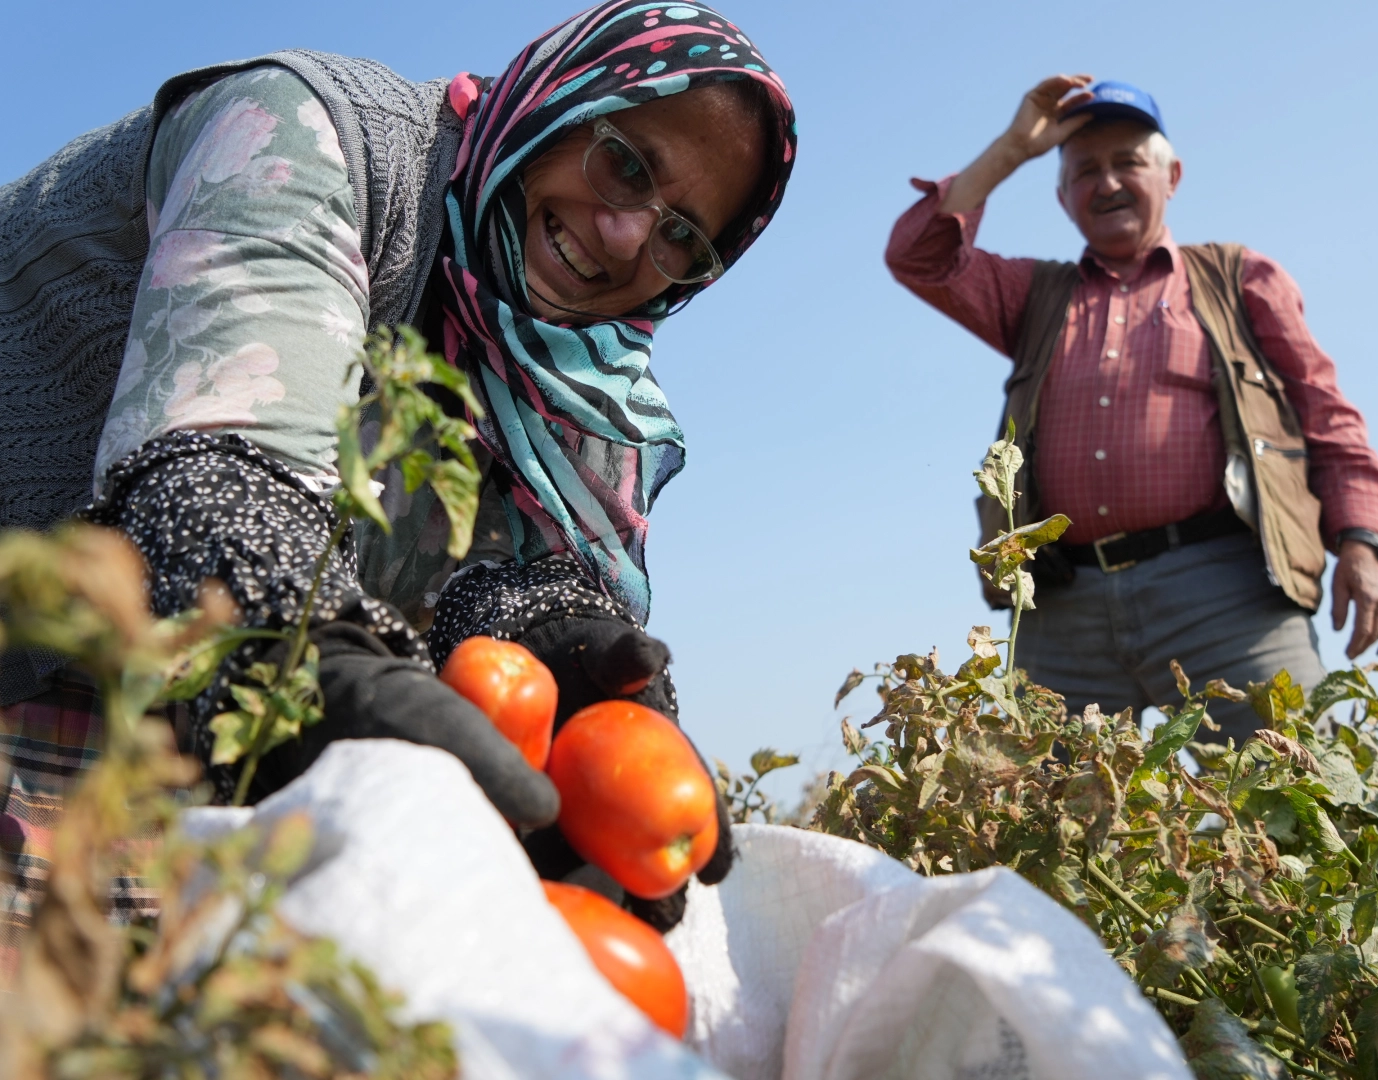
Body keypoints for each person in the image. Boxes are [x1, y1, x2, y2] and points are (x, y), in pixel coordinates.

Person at [0, 0, 797, 954]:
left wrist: (543, 643)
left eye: (683, 239)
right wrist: (301, 653)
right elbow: (212, 474)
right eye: (625, 161)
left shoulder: (574, 382)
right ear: (559, 98)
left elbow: (490, 575)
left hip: (173, 701)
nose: (629, 238)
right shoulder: (308, 135)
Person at [886, 76, 1378, 740]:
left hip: (1226, 592)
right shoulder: (1035, 296)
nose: (1106, 183)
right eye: (1085, 171)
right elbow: (919, 256)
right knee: (1045, 822)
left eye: (1127, 162)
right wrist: (1014, 148)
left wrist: (1361, 544)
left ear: (1172, 175)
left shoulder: (1238, 279)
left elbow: (1326, 415)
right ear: (1062, 196)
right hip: (1062, 602)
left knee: (1301, 795)